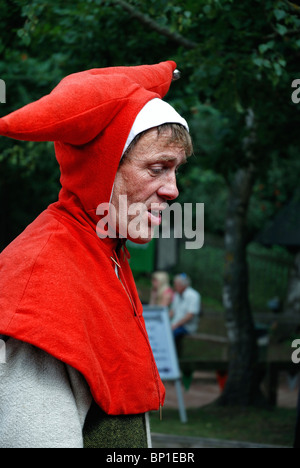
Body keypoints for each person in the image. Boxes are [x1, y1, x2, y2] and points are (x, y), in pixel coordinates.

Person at [0, 61, 193, 448]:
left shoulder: (104, 251)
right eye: (157, 168)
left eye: (175, 171)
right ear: (103, 169)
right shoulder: (44, 275)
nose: (173, 190)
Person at [170, 274, 201, 355]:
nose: (175, 286)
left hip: (187, 327)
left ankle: (174, 358)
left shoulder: (193, 295)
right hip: (175, 324)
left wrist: (175, 325)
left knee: (171, 335)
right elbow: (172, 311)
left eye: (176, 284)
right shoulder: (177, 294)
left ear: (183, 285)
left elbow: (190, 315)